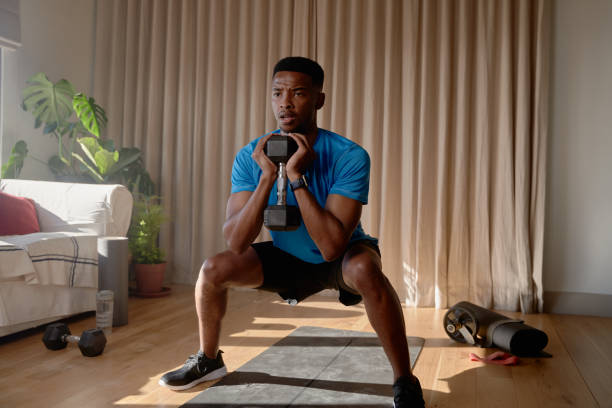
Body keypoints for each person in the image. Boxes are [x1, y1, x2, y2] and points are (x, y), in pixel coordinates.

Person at [159, 56, 425, 407]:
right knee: (213, 269)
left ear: (319, 100)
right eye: (277, 93)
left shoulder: (349, 155)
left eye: (298, 93)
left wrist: (297, 177)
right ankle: (209, 360)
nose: (285, 102)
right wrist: (268, 176)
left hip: (341, 256)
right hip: (286, 255)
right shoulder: (251, 156)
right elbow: (237, 242)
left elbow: (332, 246)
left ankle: (404, 379)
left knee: (364, 268)